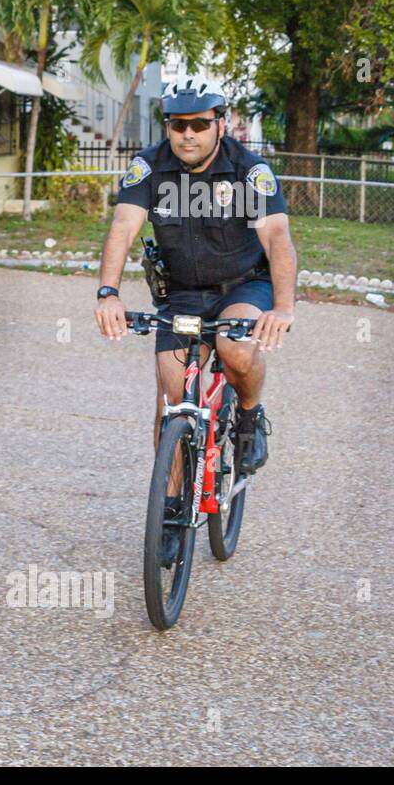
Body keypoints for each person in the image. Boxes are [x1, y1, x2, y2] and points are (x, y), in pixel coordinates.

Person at [94, 77, 297, 557]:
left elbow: (278, 240)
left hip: (243, 285)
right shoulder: (149, 166)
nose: (187, 134)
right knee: (171, 403)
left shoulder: (249, 170)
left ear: (219, 124)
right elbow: (123, 227)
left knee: (233, 347)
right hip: (182, 293)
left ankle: (248, 419)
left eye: (199, 125)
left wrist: (283, 308)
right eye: (177, 125)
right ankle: (168, 511)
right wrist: (108, 293)